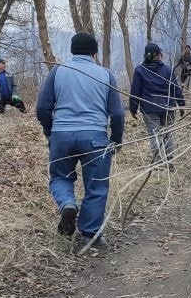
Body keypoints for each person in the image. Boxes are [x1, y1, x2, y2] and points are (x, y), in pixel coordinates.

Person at [35, 32, 125, 248]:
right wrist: (116, 139)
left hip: (62, 136)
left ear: (72, 51)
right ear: (94, 53)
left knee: (60, 177)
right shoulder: (105, 75)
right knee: (96, 186)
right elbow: (118, 113)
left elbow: (42, 108)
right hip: (95, 137)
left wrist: (50, 130)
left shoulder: (58, 72)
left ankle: (68, 204)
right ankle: (91, 234)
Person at [129, 42, 184, 165]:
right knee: (167, 134)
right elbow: (176, 88)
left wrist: (133, 109)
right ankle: (170, 161)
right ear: (159, 55)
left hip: (149, 109)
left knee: (154, 135)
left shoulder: (139, 70)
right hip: (168, 108)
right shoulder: (167, 70)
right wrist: (181, 104)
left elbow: (135, 91)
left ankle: (158, 164)